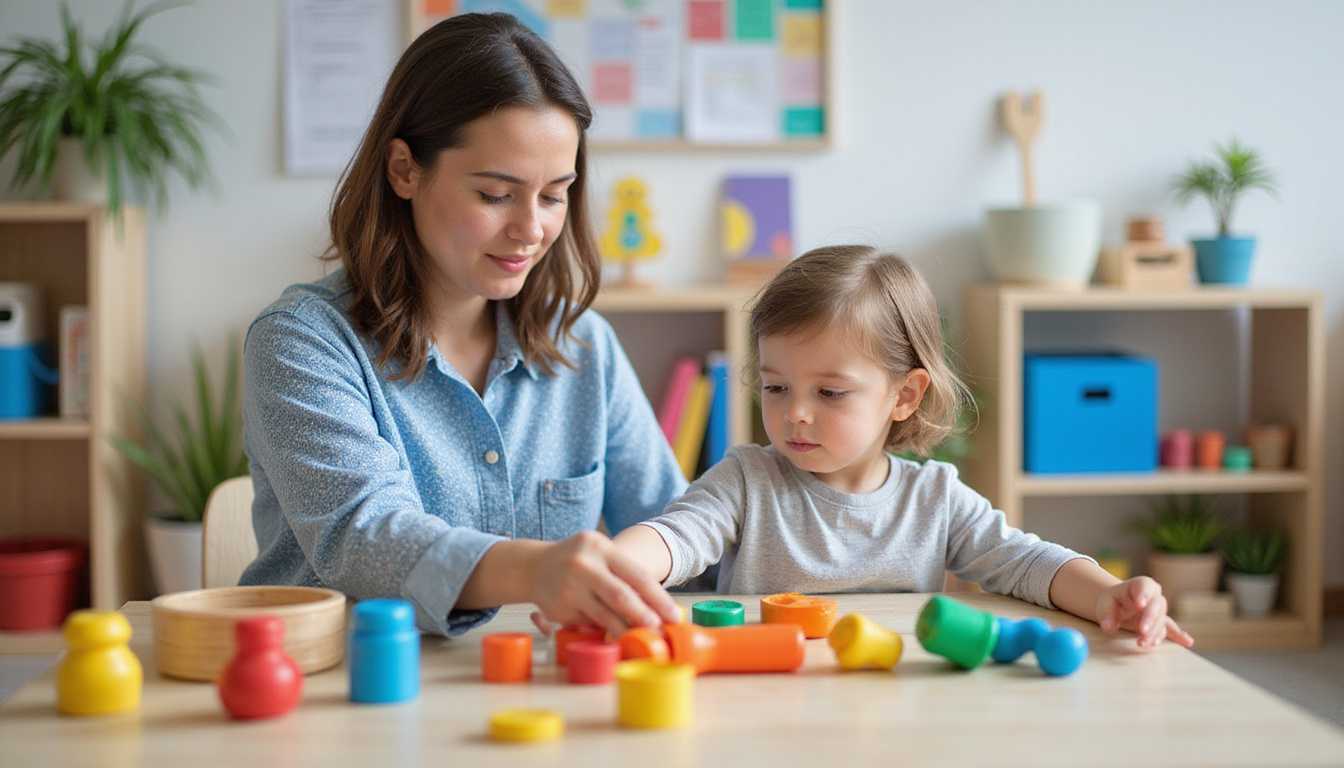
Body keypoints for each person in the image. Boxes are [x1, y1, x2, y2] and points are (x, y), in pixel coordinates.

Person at [239, 13, 685, 638]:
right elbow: (362, 538)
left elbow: (680, 528)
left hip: (526, 694)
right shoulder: (301, 343)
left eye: (554, 195)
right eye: (496, 195)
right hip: (333, 692)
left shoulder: (583, 346)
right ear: (404, 170)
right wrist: (536, 569)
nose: (531, 230)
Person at [614, 245, 1195, 648]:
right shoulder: (746, 479)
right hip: (769, 693)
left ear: (904, 396)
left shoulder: (933, 496)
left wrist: (1110, 595)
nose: (794, 410)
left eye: (831, 392)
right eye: (775, 386)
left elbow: (1023, 561)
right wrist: (616, 568)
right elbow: (677, 536)